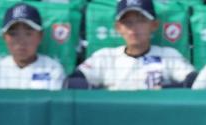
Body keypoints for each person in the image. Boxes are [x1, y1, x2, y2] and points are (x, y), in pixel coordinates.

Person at [67, 0, 195, 90]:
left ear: (154, 25)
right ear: (118, 27)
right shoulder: (105, 56)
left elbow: (194, 81)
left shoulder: (168, 55)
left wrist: (165, 90)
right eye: (127, 22)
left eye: (141, 21)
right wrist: (104, 94)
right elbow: (73, 82)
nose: (134, 28)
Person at [0, 3, 66, 90]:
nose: (21, 41)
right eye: (13, 34)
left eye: (28, 33)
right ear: (4, 37)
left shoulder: (53, 70)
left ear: (40, 36)